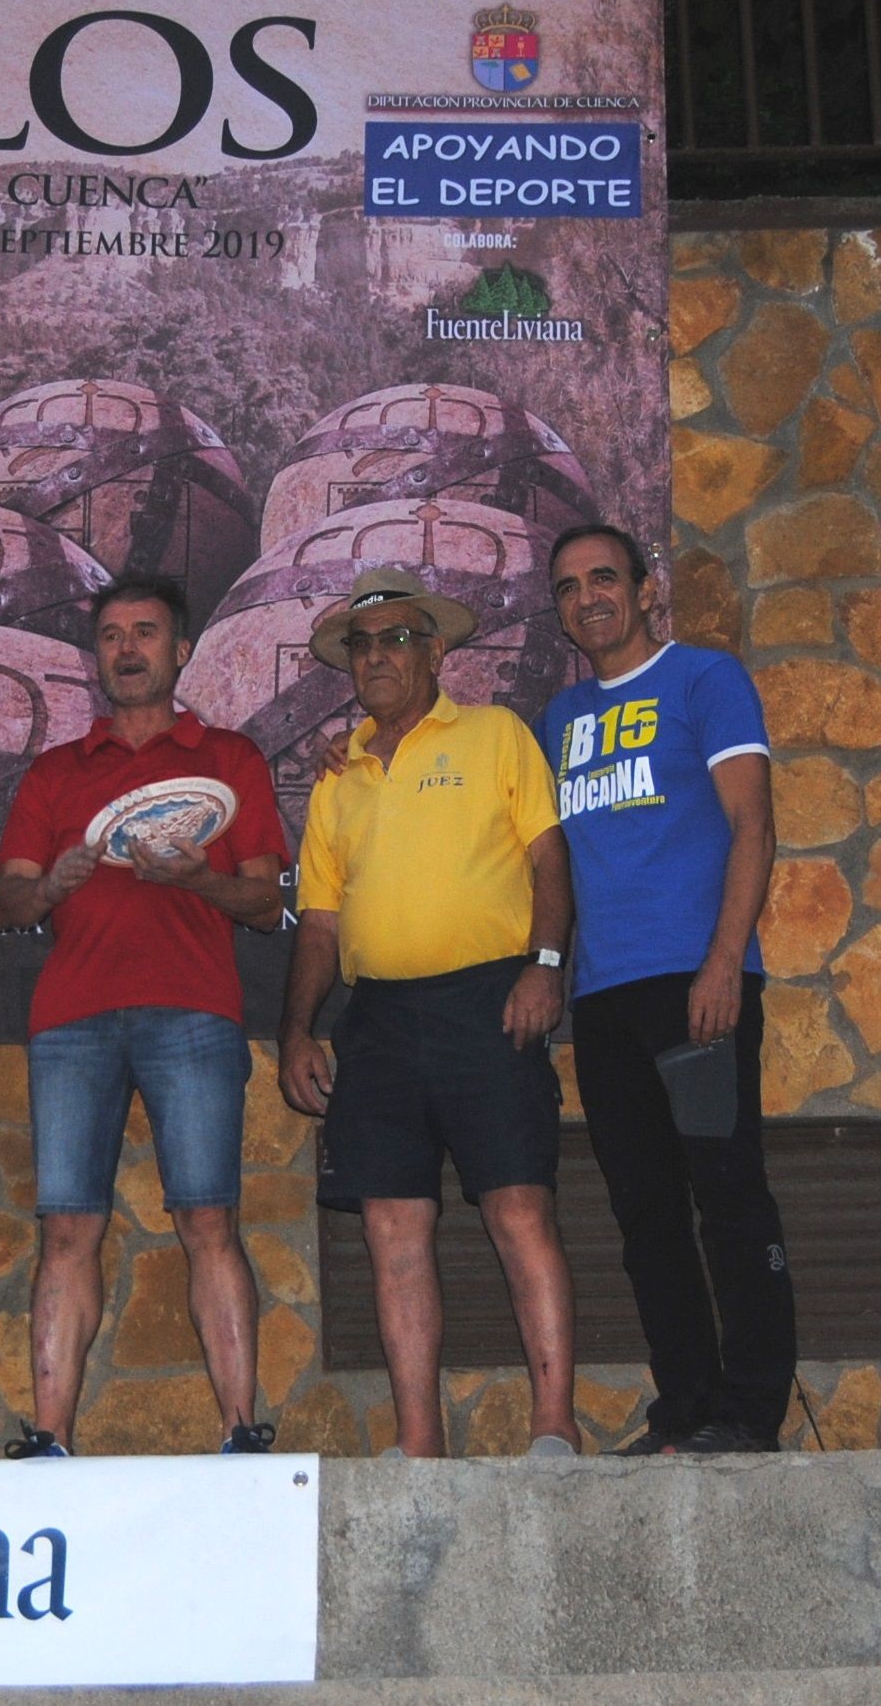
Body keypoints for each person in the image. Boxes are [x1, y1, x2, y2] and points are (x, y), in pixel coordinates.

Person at [279, 565, 580, 1460]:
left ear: (436, 651)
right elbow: (321, 921)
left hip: (491, 1002)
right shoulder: (340, 776)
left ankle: (554, 1428)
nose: (377, 657)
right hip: (377, 1020)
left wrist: (546, 967)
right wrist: (296, 1028)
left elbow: (550, 863)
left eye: (397, 639)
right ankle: (419, 1444)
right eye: (362, 645)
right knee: (392, 1226)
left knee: (519, 1209)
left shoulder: (496, 736)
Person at [0, 574, 289, 1459]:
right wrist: (48, 886)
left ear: (181, 649)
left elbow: (267, 905)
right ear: (97, 655)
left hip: (194, 1011)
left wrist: (198, 878)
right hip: (72, 1018)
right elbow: (6, 904)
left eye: (146, 633)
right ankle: (50, 1436)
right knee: (68, 1227)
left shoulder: (229, 759)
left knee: (207, 1221)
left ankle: (242, 1431)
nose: (127, 649)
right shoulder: (55, 770)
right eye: (113, 635)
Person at [544, 524, 793, 1455]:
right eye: (568, 588)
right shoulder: (560, 720)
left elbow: (754, 826)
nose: (588, 598)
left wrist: (725, 962)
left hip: (699, 985)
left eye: (604, 578)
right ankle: (686, 1405)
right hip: (604, 1001)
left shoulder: (705, 678)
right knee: (645, 1216)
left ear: (645, 589)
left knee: (729, 1197)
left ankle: (752, 1408)